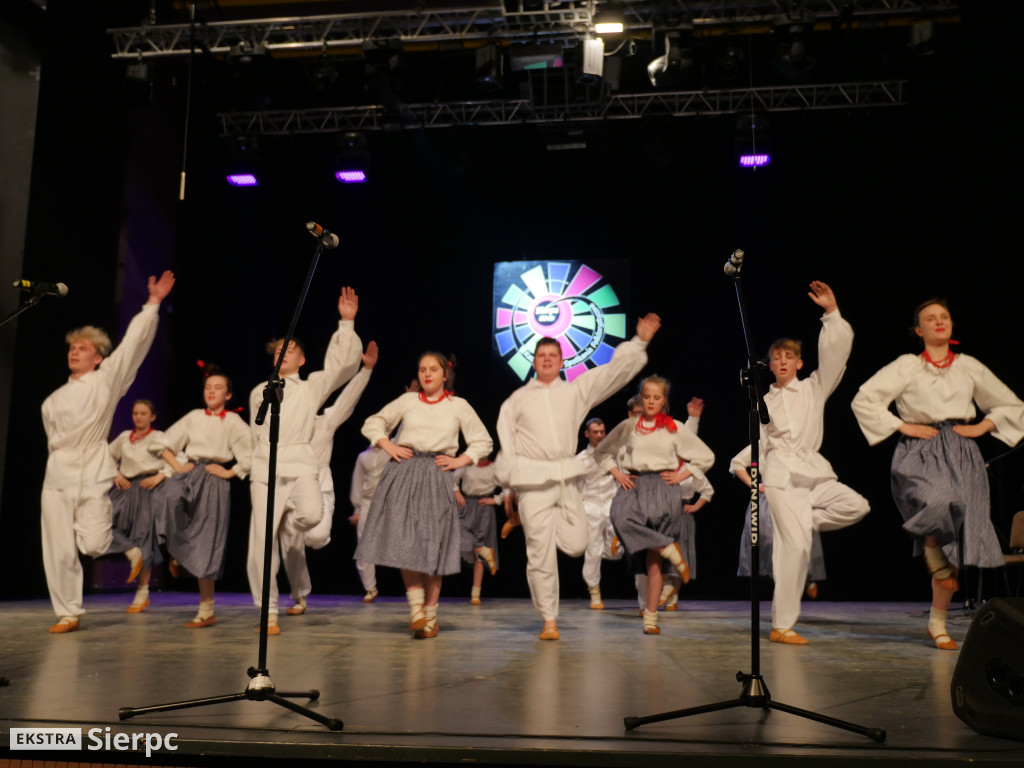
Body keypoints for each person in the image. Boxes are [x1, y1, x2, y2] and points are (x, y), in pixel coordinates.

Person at [852, 298, 1024, 650]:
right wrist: (902, 425)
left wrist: (982, 427)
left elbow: (1010, 404)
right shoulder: (907, 366)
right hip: (921, 447)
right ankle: (931, 546)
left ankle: (938, 622)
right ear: (919, 330)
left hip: (961, 447)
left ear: (951, 325)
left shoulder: (968, 366)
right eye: (930, 318)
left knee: (959, 529)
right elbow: (864, 399)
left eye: (944, 316)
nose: (939, 322)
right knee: (938, 500)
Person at [495, 314, 660, 640]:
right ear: (534, 360)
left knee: (578, 543)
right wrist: (508, 490)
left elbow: (611, 374)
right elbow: (507, 445)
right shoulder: (516, 400)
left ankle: (536, 526)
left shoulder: (574, 391)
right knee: (539, 552)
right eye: (541, 356)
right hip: (531, 481)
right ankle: (549, 621)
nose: (546, 360)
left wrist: (639, 342)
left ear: (561, 361)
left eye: (552, 356)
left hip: (566, 477)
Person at [40, 270, 175, 634]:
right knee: (58, 545)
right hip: (58, 473)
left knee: (95, 541)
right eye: (72, 348)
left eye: (83, 348)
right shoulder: (51, 402)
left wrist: (152, 305)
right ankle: (69, 612)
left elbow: (132, 346)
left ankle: (124, 549)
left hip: (91, 469)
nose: (75, 352)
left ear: (98, 358)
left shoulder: (106, 380)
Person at [755, 281, 870, 645]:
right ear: (770, 365)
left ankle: (801, 522)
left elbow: (836, 356)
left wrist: (832, 314)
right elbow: (760, 443)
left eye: (789, 356)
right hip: (780, 475)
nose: (784, 361)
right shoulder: (764, 402)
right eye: (777, 357)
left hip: (811, 469)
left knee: (857, 505)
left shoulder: (814, 387)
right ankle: (781, 625)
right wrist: (752, 472)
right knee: (797, 547)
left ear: (800, 362)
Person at [247, 287, 364, 634]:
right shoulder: (260, 391)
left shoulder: (311, 386)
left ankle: (290, 522)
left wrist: (346, 323)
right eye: (279, 351)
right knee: (261, 543)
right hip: (266, 466)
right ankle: (267, 612)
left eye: (291, 350)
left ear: (301, 360)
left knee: (312, 515)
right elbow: (255, 433)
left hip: (300, 462)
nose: (284, 354)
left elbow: (342, 367)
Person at [356, 352, 493, 638]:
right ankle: (417, 610)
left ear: (445, 374)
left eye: (433, 369)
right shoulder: (408, 401)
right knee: (406, 543)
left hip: (436, 473)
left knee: (433, 547)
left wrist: (460, 460)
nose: (427, 374)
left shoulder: (458, 405)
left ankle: (430, 617)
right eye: (422, 370)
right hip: (405, 471)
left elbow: (483, 440)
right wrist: (388, 446)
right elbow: (373, 423)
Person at [594, 376, 715, 634]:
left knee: (653, 562)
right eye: (646, 396)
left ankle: (650, 619)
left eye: (656, 397)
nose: (650, 401)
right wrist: (617, 472)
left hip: (663, 486)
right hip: (634, 483)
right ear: (641, 398)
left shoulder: (673, 427)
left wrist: (683, 475)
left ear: (664, 400)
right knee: (620, 516)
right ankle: (668, 547)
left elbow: (706, 456)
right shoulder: (629, 426)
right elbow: (602, 451)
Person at [279, 340, 377, 616]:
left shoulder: (326, 420)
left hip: (319, 488)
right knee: (291, 546)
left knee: (317, 537)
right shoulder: (284, 422)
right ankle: (300, 598)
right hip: (288, 487)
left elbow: (347, 398)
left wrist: (366, 370)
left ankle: (305, 533)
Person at [158, 366, 252, 628]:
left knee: (207, 540)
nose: (211, 391)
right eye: (208, 387)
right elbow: (164, 444)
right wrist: (178, 468)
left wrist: (230, 471)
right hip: (190, 471)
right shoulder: (194, 416)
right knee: (166, 499)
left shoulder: (232, 421)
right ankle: (176, 552)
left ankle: (206, 609)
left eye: (218, 387)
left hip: (213, 479)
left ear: (229, 395)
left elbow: (251, 453)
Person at [729, 446, 827, 598]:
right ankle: (784, 590)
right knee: (769, 540)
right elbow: (736, 463)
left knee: (802, 538)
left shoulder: (799, 441)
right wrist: (753, 484)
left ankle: (806, 578)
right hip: (769, 496)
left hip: (796, 494)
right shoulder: (763, 442)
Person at [109, 399, 170, 613]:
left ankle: (142, 593)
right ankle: (129, 550)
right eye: (136, 413)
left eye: (144, 413)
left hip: (148, 488)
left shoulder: (159, 438)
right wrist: (115, 473)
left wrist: (161, 476)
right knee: (102, 522)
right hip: (125, 487)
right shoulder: (125, 437)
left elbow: (178, 457)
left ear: (152, 417)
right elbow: (106, 456)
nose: (139, 417)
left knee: (145, 537)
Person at [576, 418, 621, 610]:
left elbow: (621, 479)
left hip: (611, 505)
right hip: (591, 506)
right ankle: (594, 592)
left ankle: (598, 551)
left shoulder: (613, 454)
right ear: (587, 434)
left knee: (617, 552)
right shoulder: (580, 459)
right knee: (592, 550)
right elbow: (576, 487)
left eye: (602, 431)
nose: (600, 435)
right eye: (595, 432)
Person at [453, 458, 503, 605]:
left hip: (484, 507)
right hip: (466, 504)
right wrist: (457, 492)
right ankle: (485, 551)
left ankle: (475, 594)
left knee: (478, 555)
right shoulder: (467, 465)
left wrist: (497, 500)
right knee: (458, 532)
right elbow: (451, 478)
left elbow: (510, 485)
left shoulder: (494, 467)